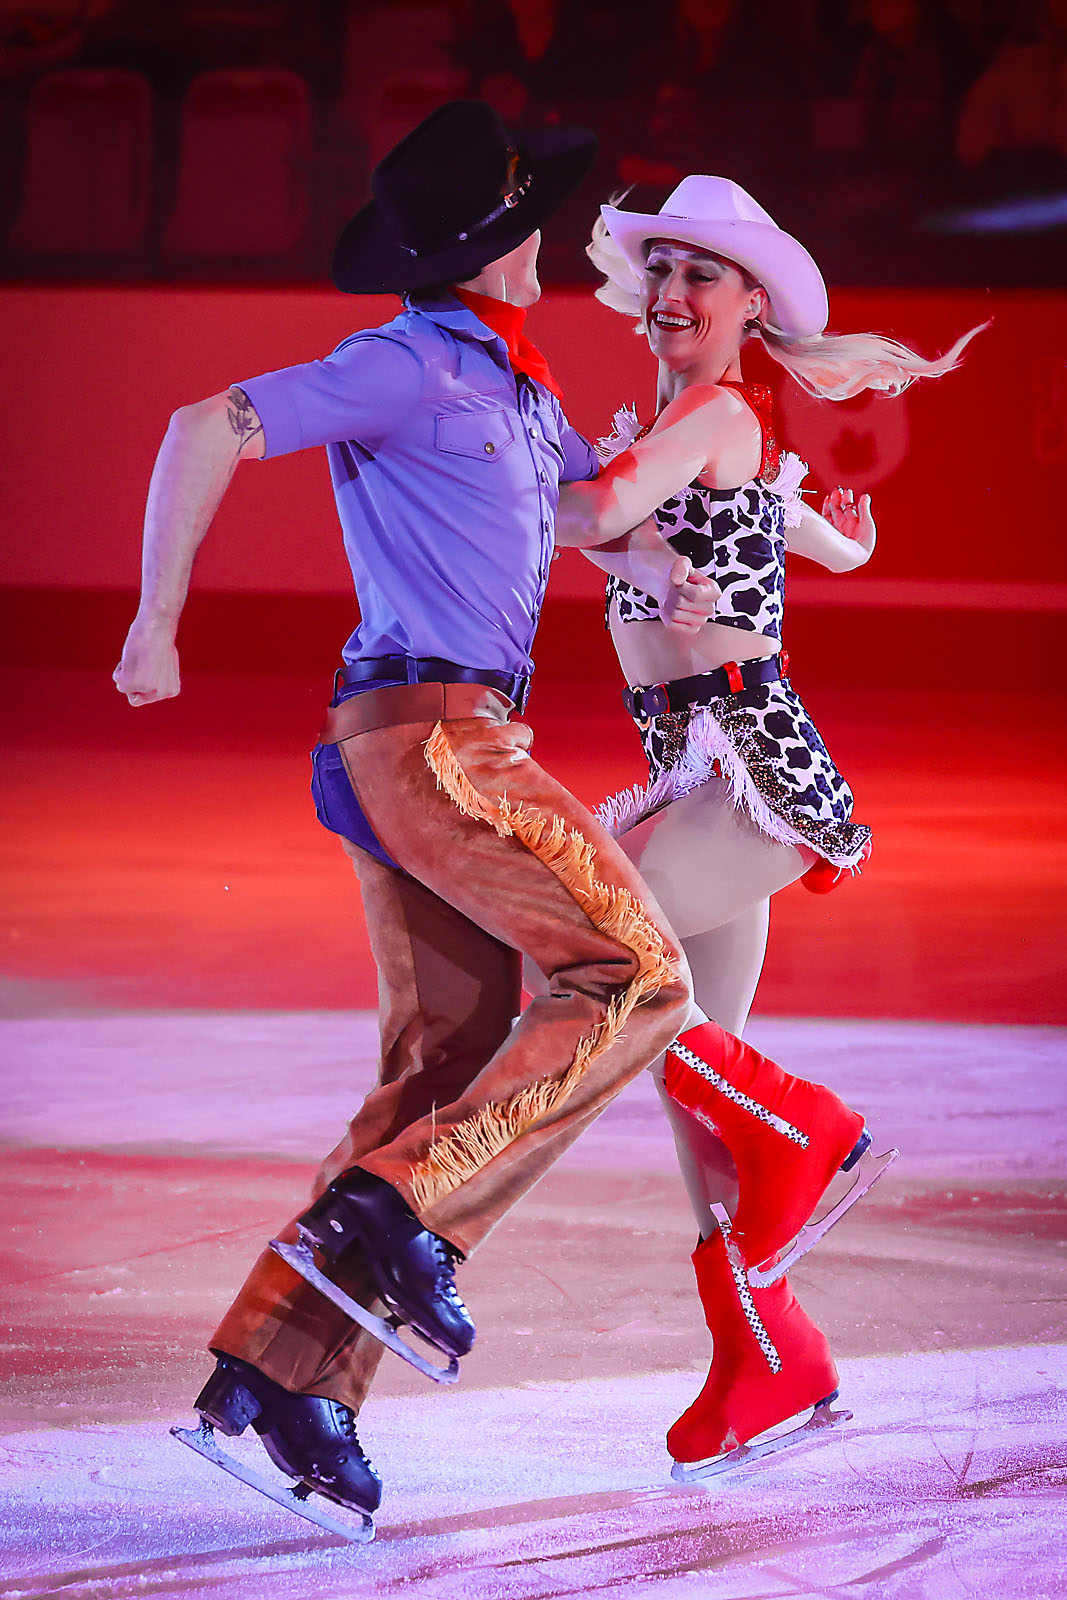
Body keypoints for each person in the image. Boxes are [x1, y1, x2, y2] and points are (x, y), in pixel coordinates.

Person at [111, 100, 738, 1533]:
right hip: (434, 737)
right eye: (532, 219)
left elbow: (582, 513)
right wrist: (158, 622)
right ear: (497, 243)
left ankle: (279, 1373)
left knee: (443, 1054)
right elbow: (202, 425)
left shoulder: (517, 391)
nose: (548, 242)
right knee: (635, 976)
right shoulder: (399, 366)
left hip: (444, 736)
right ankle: (399, 1219)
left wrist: (675, 571)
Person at [552, 174, 982, 1474]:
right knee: (698, 1082)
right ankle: (767, 1354)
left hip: (753, 769)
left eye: (703, 275)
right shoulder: (705, 430)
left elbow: (590, 510)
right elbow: (800, 537)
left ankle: (813, 1130)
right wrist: (840, 544)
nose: (675, 294)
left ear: (749, 305)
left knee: (587, 943)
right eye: (663, 272)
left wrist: (504, 462)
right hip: (696, 772)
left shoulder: (708, 420)